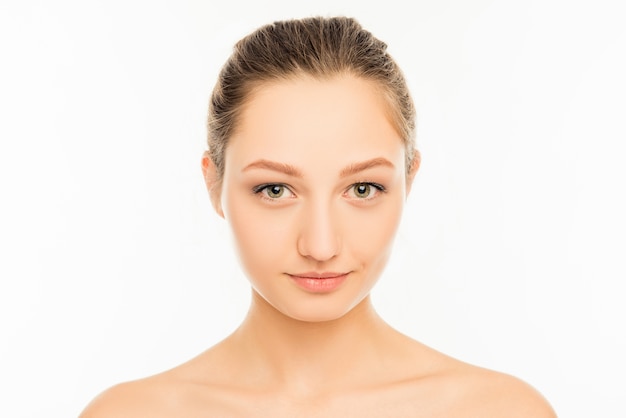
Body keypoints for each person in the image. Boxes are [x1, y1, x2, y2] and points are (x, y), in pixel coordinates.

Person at [80, 16, 556, 417]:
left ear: (409, 181)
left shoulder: (501, 410)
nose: (321, 246)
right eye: (275, 189)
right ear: (214, 184)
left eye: (363, 189)